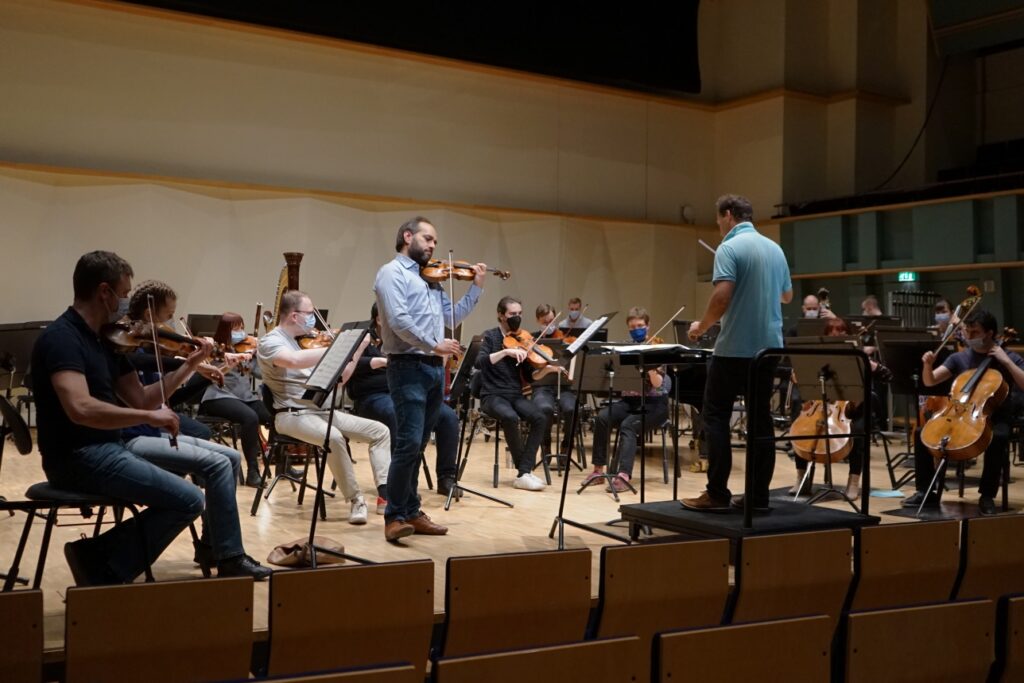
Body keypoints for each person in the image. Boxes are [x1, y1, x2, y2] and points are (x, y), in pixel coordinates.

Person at [31, 251, 266, 585]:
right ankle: (103, 565)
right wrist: (148, 417)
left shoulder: (105, 342)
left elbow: (144, 397)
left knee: (194, 491)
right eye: (124, 294)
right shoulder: (62, 338)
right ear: (104, 292)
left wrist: (190, 364)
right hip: (77, 457)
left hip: (108, 448)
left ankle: (97, 556)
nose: (126, 302)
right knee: (190, 499)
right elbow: (80, 409)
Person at [121, 280, 270, 578]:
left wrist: (207, 369)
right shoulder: (129, 348)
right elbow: (148, 391)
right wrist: (189, 362)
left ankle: (212, 545)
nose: (171, 324)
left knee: (229, 456)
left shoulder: (155, 345)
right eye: (168, 315)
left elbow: (172, 397)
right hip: (134, 432)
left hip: (155, 425)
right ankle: (223, 551)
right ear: (151, 315)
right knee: (214, 459)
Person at [374, 216, 486, 541]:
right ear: (407, 236)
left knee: (419, 444)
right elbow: (397, 320)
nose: (433, 245)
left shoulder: (431, 280)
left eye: (435, 241)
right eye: (428, 238)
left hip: (436, 368)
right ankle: (393, 516)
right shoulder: (390, 273)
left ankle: (411, 510)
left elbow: (452, 316)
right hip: (408, 366)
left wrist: (476, 288)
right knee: (408, 443)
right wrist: (434, 344)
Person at [682, 195, 792, 512]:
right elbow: (787, 296)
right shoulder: (775, 249)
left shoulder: (730, 248)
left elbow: (722, 297)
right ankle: (758, 498)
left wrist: (701, 326)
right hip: (769, 349)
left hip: (734, 348)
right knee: (761, 420)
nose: (718, 226)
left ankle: (717, 494)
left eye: (718, 219)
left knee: (714, 416)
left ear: (728, 215)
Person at [257, 290, 391, 523]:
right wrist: (338, 348)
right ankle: (356, 500)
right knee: (334, 437)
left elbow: (342, 379)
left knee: (380, 431)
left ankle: (387, 497)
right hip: (291, 415)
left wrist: (358, 348)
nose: (314, 320)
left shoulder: (307, 342)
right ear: (294, 316)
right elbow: (292, 361)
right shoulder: (270, 341)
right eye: (310, 314)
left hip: (321, 411)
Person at [905, 309, 1024, 515]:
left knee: (998, 438)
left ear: (989, 333)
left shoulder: (1009, 357)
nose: (969, 336)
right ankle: (925, 491)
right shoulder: (959, 358)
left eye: (974, 332)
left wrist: (1006, 361)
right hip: (962, 413)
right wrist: (927, 365)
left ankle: (987, 495)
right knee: (921, 433)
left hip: (996, 416)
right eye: (967, 331)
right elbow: (930, 380)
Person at [349, 302, 462, 496]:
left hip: (406, 393)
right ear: (379, 319)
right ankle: (402, 484)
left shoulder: (409, 340)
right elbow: (348, 366)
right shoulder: (363, 339)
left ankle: (446, 478)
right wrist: (376, 362)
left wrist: (439, 355)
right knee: (398, 415)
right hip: (373, 398)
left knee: (449, 417)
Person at [790, 317, 886, 499]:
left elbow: (886, 376)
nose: (835, 334)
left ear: (848, 334)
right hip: (821, 406)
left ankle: (853, 482)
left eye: (840, 330)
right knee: (801, 427)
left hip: (850, 409)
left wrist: (871, 365)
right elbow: (803, 381)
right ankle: (801, 477)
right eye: (831, 331)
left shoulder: (858, 356)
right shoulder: (816, 356)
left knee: (857, 430)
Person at [582, 307, 671, 493]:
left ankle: (623, 475)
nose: (636, 329)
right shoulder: (625, 348)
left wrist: (650, 366)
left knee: (628, 426)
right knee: (603, 417)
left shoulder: (658, 349)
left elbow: (657, 384)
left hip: (654, 405)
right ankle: (598, 470)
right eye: (632, 327)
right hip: (630, 402)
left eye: (640, 326)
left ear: (648, 326)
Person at [476, 297, 553, 491]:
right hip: (492, 395)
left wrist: (548, 370)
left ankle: (524, 471)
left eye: (519, 314)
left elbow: (530, 376)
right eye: (512, 314)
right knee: (510, 417)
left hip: (514, 394)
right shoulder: (491, 336)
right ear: (501, 315)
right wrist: (505, 353)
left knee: (539, 417)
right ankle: (524, 473)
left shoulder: (522, 339)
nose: (516, 318)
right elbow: (479, 362)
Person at [199, 311, 273, 487]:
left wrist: (262, 358)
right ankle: (253, 472)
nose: (241, 332)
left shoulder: (246, 347)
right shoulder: (215, 349)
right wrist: (228, 361)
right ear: (225, 331)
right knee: (250, 418)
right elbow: (210, 375)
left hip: (244, 397)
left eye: (242, 327)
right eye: (235, 328)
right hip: (218, 395)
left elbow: (260, 374)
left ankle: (280, 464)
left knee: (275, 415)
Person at [531, 303, 577, 456]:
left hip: (564, 387)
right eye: (545, 322)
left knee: (572, 409)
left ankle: (567, 444)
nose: (549, 325)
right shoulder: (532, 340)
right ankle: (545, 443)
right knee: (545, 409)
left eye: (552, 321)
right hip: (542, 387)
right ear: (538, 320)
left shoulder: (565, 340)